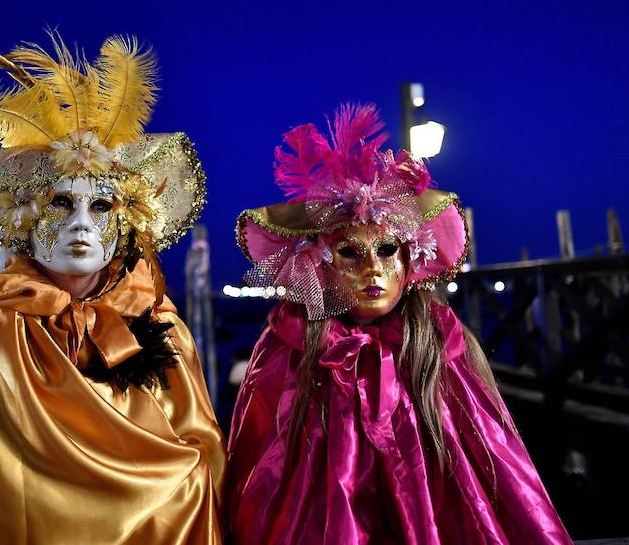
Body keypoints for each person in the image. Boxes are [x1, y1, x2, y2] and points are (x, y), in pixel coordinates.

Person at [0, 20, 224, 544]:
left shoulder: (159, 326)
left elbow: (198, 452)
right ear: (21, 219)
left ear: (127, 220)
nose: (81, 225)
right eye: (60, 203)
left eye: (102, 205)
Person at [226, 104, 570, 544]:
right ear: (319, 265)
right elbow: (260, 458)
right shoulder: (286, 347)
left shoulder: (438, 343)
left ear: (411, 258)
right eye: (350, 253)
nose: (372, 269)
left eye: (387, 249)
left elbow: (488, 459)